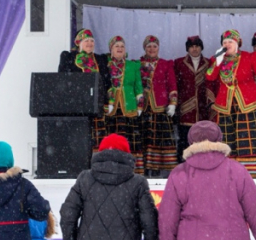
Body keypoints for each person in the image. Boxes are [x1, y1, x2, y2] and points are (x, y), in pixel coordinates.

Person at [205, 29, 256, 178]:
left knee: (251, 138)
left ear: (237, 43)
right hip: (227, 105)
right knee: (229, 139)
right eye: (224, 42)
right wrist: (217, 62)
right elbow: (210, 77)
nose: (227, 45)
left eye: (230, 42)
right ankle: (230, 171)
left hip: (248, 103)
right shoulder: (217, 58)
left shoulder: (249, 57)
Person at [58, 28, 111, 154]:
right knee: (76, 136)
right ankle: (76, 161)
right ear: (79, 43)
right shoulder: (69, 57)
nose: (89, 44)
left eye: (91, 41)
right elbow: (61, 79)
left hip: (95, 104)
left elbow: (107, 82)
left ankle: (96, 163)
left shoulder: (100, 59)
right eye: (86, 41)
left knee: (97, 137)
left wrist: (107, 101)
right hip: (76, 104)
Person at [103, 35, 145, 173]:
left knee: (129, 139)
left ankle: (131, 169)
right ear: (111, 49)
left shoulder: (132, 65)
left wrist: (140, 105)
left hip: (129, 106)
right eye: (117, 46)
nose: (120, 49)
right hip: (112, 108)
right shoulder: (106, 65)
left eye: (122, 46)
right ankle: (113, 167)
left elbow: (138, 86)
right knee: (113, 138)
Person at [173, 35, 218, 162]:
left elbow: (213, 84)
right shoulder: (178, 63)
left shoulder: (209, 63)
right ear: (187, 49)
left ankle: (204, 165)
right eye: (191, 46)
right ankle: (183, 167)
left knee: (204, 141)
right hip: (185, 109)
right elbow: (175, 84)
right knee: (184, 140)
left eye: (197, 46)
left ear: (201, 47)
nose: (194, 49)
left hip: (203, 108)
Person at [139, 35, 178, 177]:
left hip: (160, 107)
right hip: (143, 109)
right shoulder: (138, 63)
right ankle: (145, 170)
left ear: (158, 48)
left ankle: (159, 173)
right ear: (144, 48)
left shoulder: (165, 64)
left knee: (160, 141)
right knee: (145, 139)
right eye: (149, 46)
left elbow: (172, 84)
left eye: (154, 46)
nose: (152, 49)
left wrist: (173, 103)